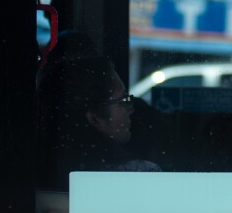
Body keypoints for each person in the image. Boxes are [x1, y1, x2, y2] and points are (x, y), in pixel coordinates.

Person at [37, 55, 161, 190]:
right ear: (95, 118)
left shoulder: (34, 173)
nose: (131, 109)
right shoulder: (141, 175)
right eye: (121, 101)